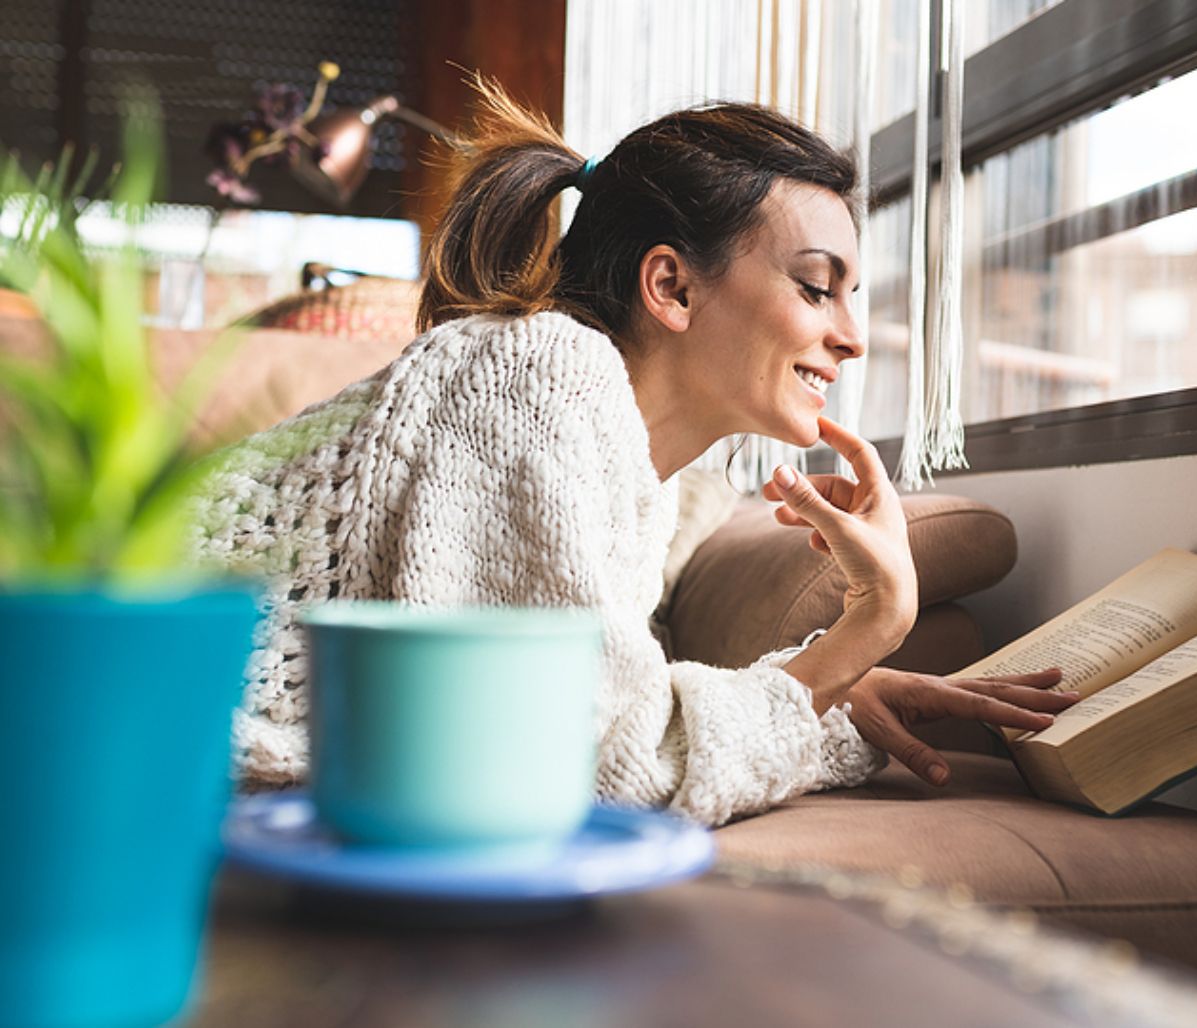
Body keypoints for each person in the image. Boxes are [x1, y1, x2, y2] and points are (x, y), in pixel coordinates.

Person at [192, 78, 1071, 827]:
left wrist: (829, 693)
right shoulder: (533, 374)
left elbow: (603, 711)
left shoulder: (632, 466)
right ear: (671, 286)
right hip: (138, 731)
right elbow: (587, 773)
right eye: (815, 288)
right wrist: (869, 627)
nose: (852, 336)